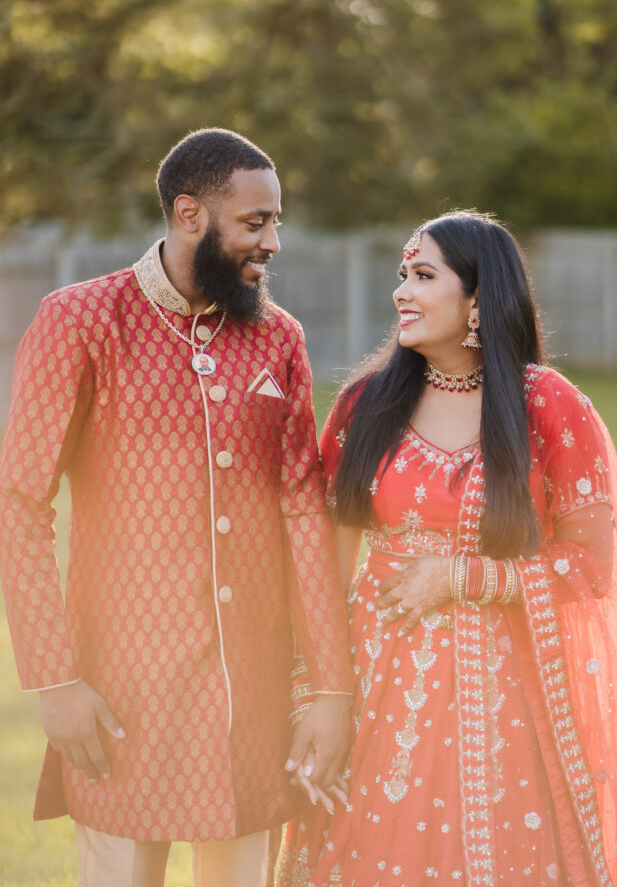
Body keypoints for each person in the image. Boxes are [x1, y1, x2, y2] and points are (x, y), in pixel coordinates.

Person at [277, 210, 617, 886]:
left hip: (503, 707)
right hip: (375, 697)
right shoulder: (364, 406)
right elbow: (322, 564)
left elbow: (591, 563)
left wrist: (463, 576)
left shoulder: (546, 407)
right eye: (401, 275)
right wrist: (316, 695)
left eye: (424, 275)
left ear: (477, 300)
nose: (401, 291)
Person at [0, 128, 354, 887]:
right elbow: (20, 502)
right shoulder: (82, 321)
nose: (274, 243)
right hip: (123, 697)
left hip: (253, 698)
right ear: (190, 214)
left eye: (276, 222)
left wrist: (329, 688)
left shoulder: (277, 339)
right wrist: (53, 681)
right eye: (255, 223)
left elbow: (302, 514)